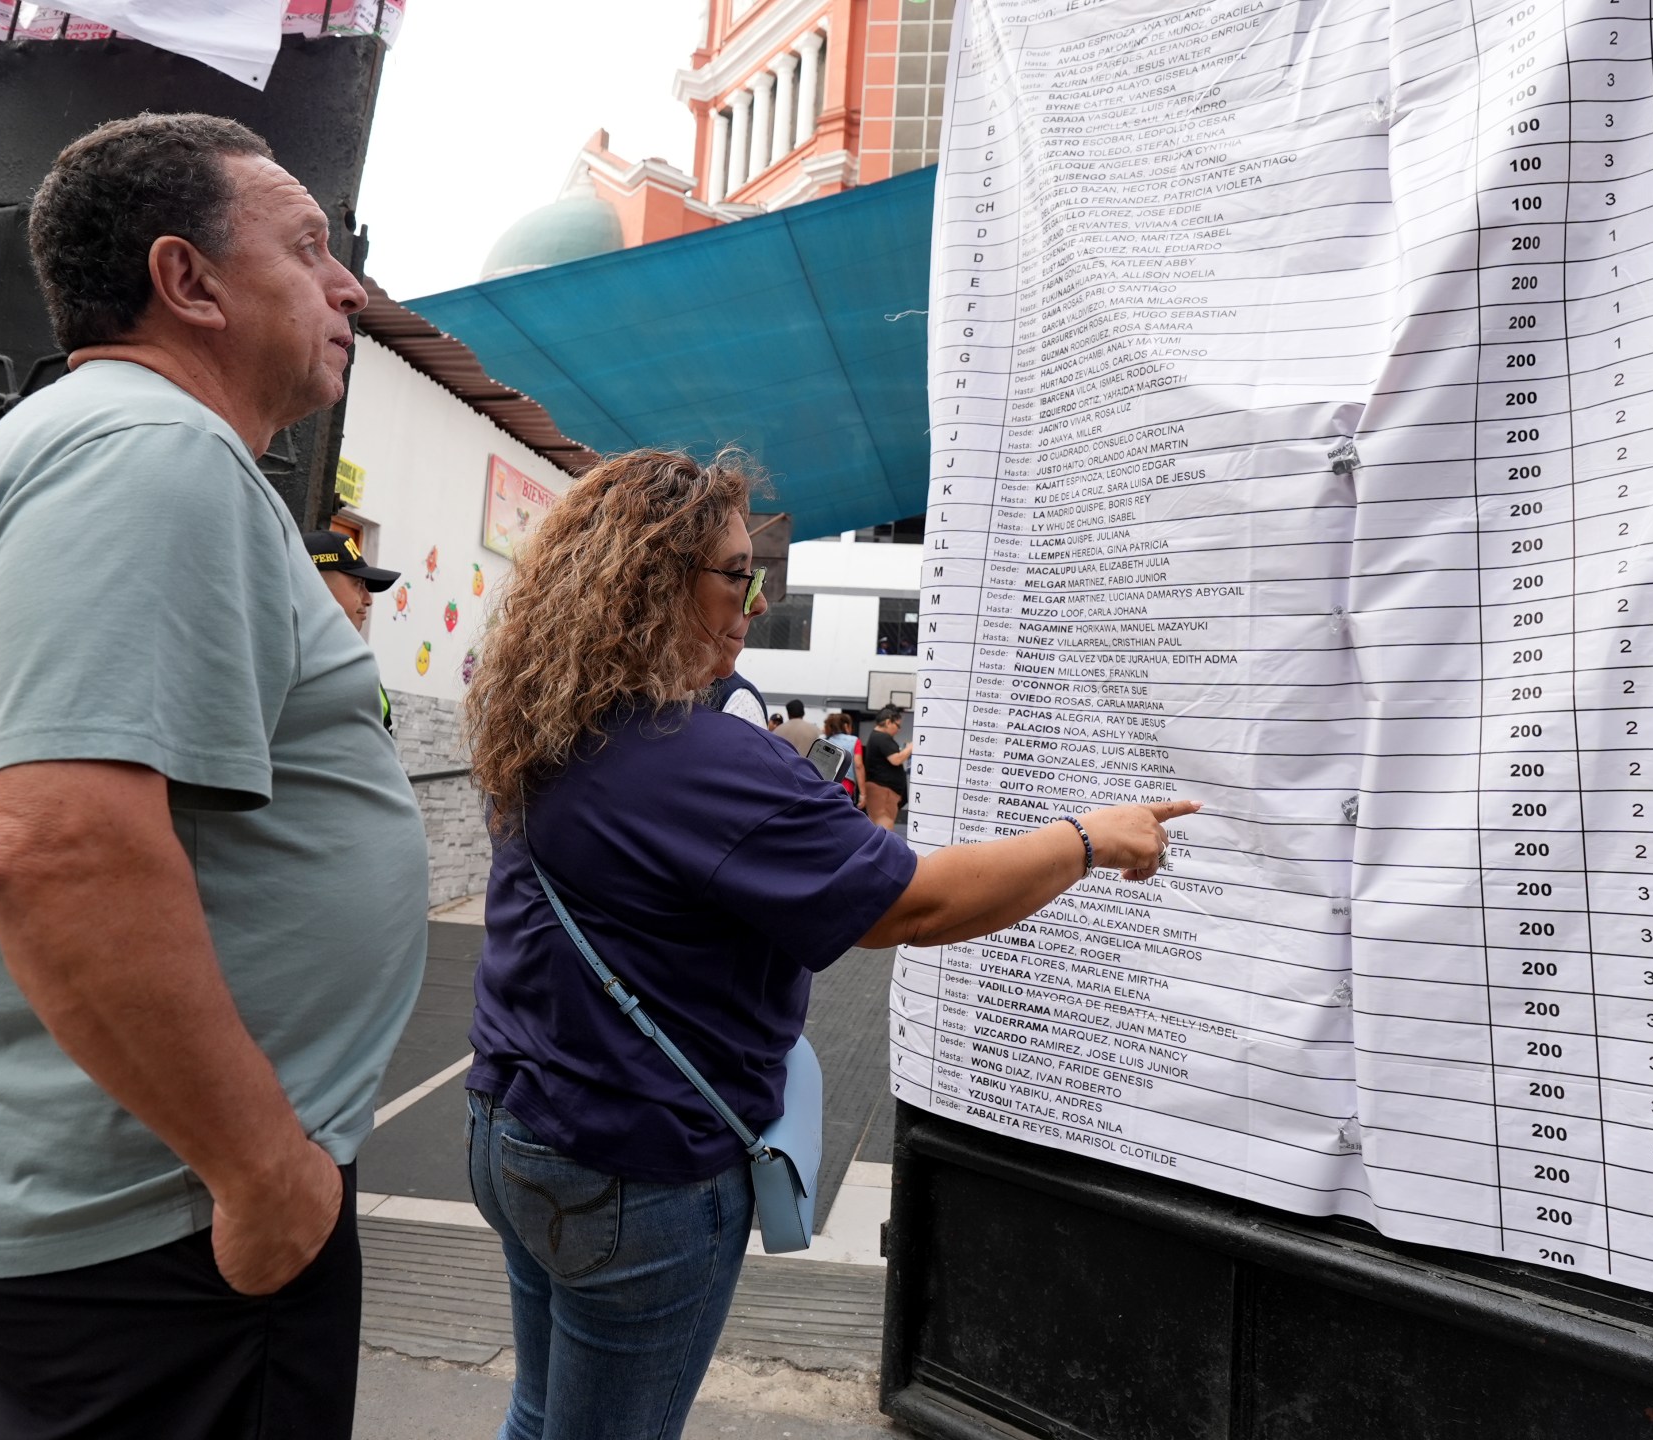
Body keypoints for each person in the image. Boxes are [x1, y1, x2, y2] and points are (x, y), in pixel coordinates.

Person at [459, 448, 1196, 1440]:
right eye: (737, 575)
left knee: (541, 1408)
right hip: (636, 1168)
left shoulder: (550, 727)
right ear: (653, 582)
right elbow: (913, 907)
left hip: (511, 1127)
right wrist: (1088, 839)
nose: (755, 603)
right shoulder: (706, 758)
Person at [0, 114, 429, 1438]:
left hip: (113, 1207)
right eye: (308, 249)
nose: (349, 289)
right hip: (168, 1229)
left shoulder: (86, 447)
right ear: (187, 280)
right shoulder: (149, 452)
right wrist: (264, 1174)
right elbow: (54, 850)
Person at [306, 528, 400, 729]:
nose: (368, 599)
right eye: (358, 583)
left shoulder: (349, 657)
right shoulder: (290, 659)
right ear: (317, 584)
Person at [862, 705, 913, 831]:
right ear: (888, 722)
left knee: (883, 826)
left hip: (883, 790)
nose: (899, 730)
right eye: (898, 726)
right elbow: (896, 759)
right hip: (883, 791)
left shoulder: (877, 737)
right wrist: (911, 747)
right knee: (884, 828)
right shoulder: (881, 737)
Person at [824, 710, 867, 807]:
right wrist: (863, 794)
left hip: (827, 785)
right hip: (846, 786)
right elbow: (858, 765)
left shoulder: (826, 740)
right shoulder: (854, 741)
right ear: (846, 726)